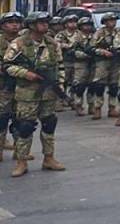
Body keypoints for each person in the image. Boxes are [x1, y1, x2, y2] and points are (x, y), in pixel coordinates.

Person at [5, 12, 66, 177]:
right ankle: (21, 161)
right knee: (25, 127)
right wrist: (26, 74)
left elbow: (60, 66)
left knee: (49, 124)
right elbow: (8, 65)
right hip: (27, 93)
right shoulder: (19, 43)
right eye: (41, 23)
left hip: (48, 92)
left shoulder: (53, 44)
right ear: (32, 25)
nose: (45, 25)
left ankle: (49, 158)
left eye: (47, 23)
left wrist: (60, 85)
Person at [0, 12, 25, 162]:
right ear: (3, 26)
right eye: (10, 22)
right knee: (2, 118)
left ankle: (20, 150)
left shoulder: (25, 42)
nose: (15, 24)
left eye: (17, 22)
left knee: (20, 119)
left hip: (22, 85)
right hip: (2, 86)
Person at [90, 12, 120, 120]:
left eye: (114, 20)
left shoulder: (119, 32)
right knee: (100, 85)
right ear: (105, 22)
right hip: (102, 61)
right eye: (110, 20)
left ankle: (112, 107)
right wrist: (102, 52)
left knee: (114, 85)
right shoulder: (99, 33)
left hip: (115, 61)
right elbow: (91, 48)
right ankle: (97, 108)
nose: (113, 22)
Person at [71, 17, 95, 116]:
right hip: (80, 63)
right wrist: (82, 54)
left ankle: (91, 105)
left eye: (89, 25)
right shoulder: (76, 36)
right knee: (80, 85)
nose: (87, 27)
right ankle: (78, 105)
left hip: (93, 62)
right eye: (85, 25)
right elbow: (71, 50)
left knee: (92, 85)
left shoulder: (94, 36)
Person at [55, 14, 79, 110]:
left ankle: (73, 101)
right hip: (65, 61)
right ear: (65, 24)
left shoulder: (79, 34)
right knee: (62, 81)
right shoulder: (61, 34)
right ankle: (60, 101)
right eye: (70, 22)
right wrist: (67, 46)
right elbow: (56, 44)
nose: (73, 24)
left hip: (77, 61)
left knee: (76, 82)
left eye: (74, 22)